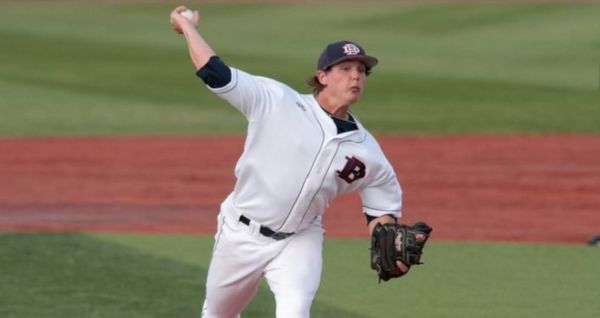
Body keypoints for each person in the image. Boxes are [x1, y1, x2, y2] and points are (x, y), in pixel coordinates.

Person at [170, 5, 409, 318]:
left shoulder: (369, 152)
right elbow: (215, 73)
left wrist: (389, 239)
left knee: (295, 312)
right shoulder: (276, 100)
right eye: (345, 69)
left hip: (300, 240)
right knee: (219, 314)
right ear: (322, 76)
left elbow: (382, 209)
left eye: (361, 71)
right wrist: (188, 28)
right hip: (241, 232)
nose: (355, 76)